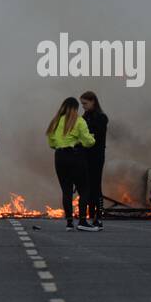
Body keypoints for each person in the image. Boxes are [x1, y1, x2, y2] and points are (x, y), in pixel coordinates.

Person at [45, 96, 97, 231]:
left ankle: (69, 223)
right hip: (75, 157)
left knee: (66, 191)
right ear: (75, 109)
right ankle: (82, 221)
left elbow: (51, 143)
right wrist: (91, 138)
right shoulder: (79, 121)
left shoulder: (55, 122)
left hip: (60, 157)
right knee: (84, 189)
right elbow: (89, 142)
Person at [79, 91, 108, 231]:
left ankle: (99, 216)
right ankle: (90, 214)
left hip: (96, 156)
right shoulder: (84, 118)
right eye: (82, 104)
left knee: (96, 186)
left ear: (93, 102)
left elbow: (96, 136)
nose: (83, 106)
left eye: (85, 103)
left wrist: (86, 135)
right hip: (85, 156)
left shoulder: (101, 118)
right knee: (86, 186)